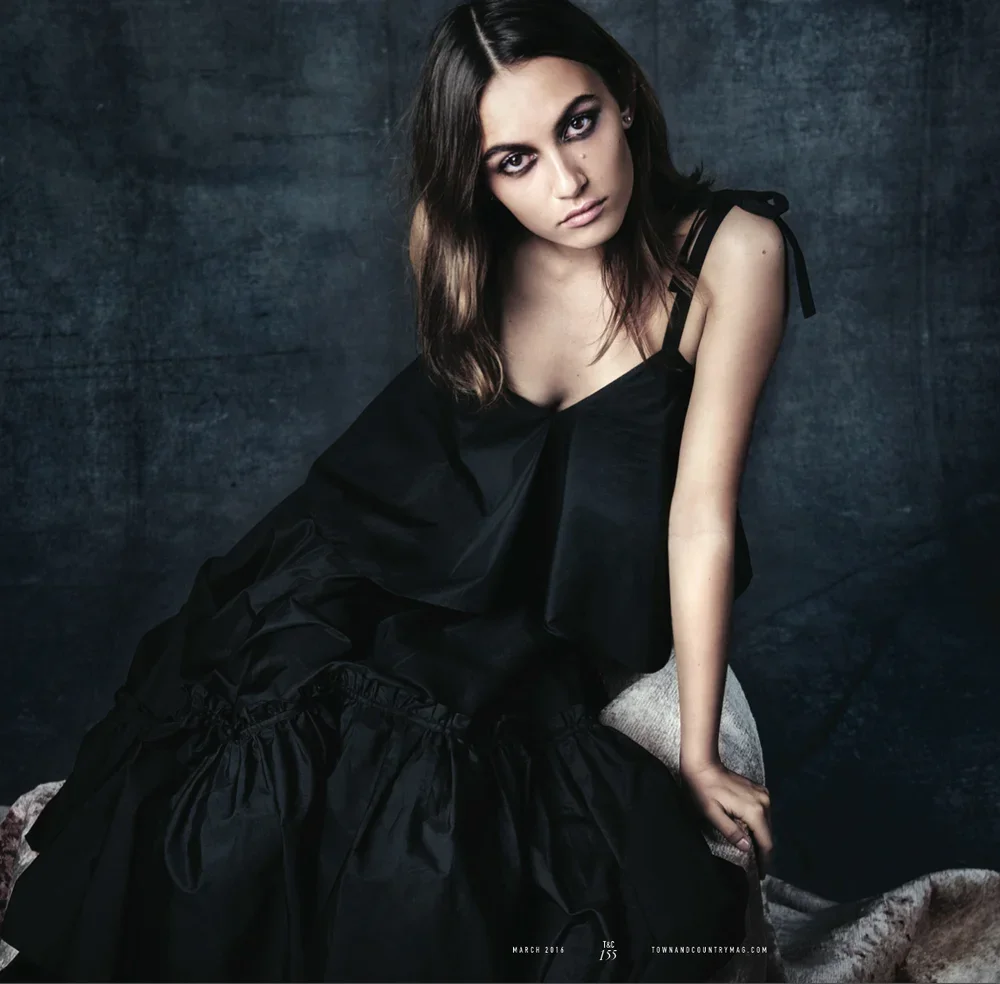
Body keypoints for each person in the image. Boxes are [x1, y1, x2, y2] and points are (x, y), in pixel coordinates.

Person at [0, 0, 816, 980]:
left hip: (524, 623)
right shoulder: (479, 259)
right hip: (363, 556)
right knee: (258, 773)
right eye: (512, 160)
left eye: (578, 121)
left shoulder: (732, 254)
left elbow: (698, 517)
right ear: (476, 176)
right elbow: (417, 479)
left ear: (626, 102)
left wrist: (696, 748)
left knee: (429, 812)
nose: (567, 181)